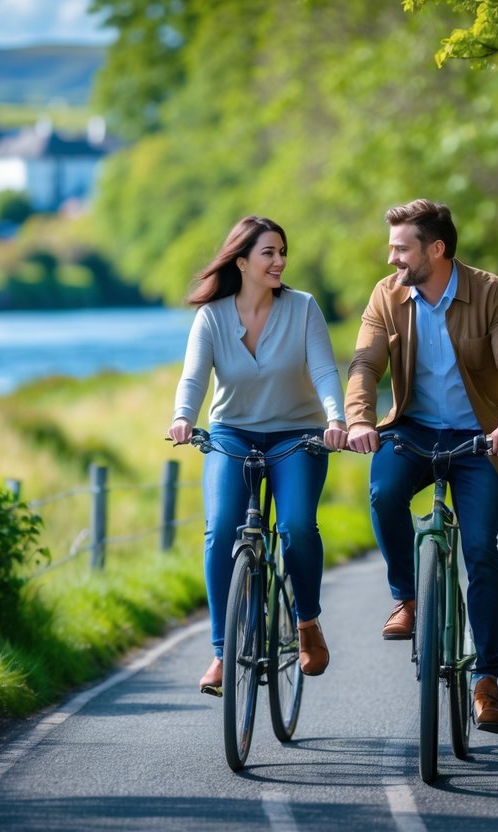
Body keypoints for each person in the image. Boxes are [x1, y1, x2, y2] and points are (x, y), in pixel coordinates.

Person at [345, 199, 498, 732]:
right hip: (412, 429)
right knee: (383, 495)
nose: (391, 259)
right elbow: (364, 363)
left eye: (400, 248)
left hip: (480, 436)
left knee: (479, 550)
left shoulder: (490, 292)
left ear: (436, 249)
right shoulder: (387, 296)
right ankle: (406, 597)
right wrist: (360, 419)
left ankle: (486, 681)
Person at [168, 215, 348, 695]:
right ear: (242, 261)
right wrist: (183, 416)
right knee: (221, 527)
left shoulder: (303, 308)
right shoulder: (211, 317)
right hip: (232, 435)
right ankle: (224, 653)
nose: (280, 261)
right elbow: (193, 378)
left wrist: (336, 419)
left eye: (282, 251)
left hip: (298, 436)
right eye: (268, 252)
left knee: (294, 526)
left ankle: (306, 622)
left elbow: (327, 372)